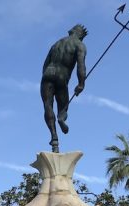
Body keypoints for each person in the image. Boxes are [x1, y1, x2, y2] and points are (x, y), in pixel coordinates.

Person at [40, 24, 88, 153]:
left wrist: (47, 77)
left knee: (47, 105)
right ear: (80, 34)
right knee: (63, 107)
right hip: (62, 77)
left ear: (71, 31)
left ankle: (54, 138)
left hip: (47, 74)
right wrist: (81, 84)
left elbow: (45, 65)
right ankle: (61, 118)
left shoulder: (56, 44)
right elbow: (81, 66)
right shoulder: (79, 45)